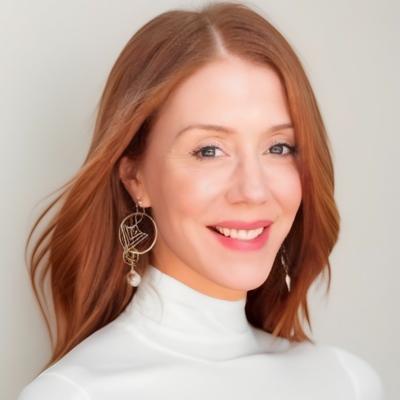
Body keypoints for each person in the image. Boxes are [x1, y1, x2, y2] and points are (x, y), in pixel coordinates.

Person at [18, 2, 384, 399]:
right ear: (136, 178)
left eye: (279, 147)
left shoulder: (347, 382)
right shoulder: (74, 393)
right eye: (209, 150)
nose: (254, 190)